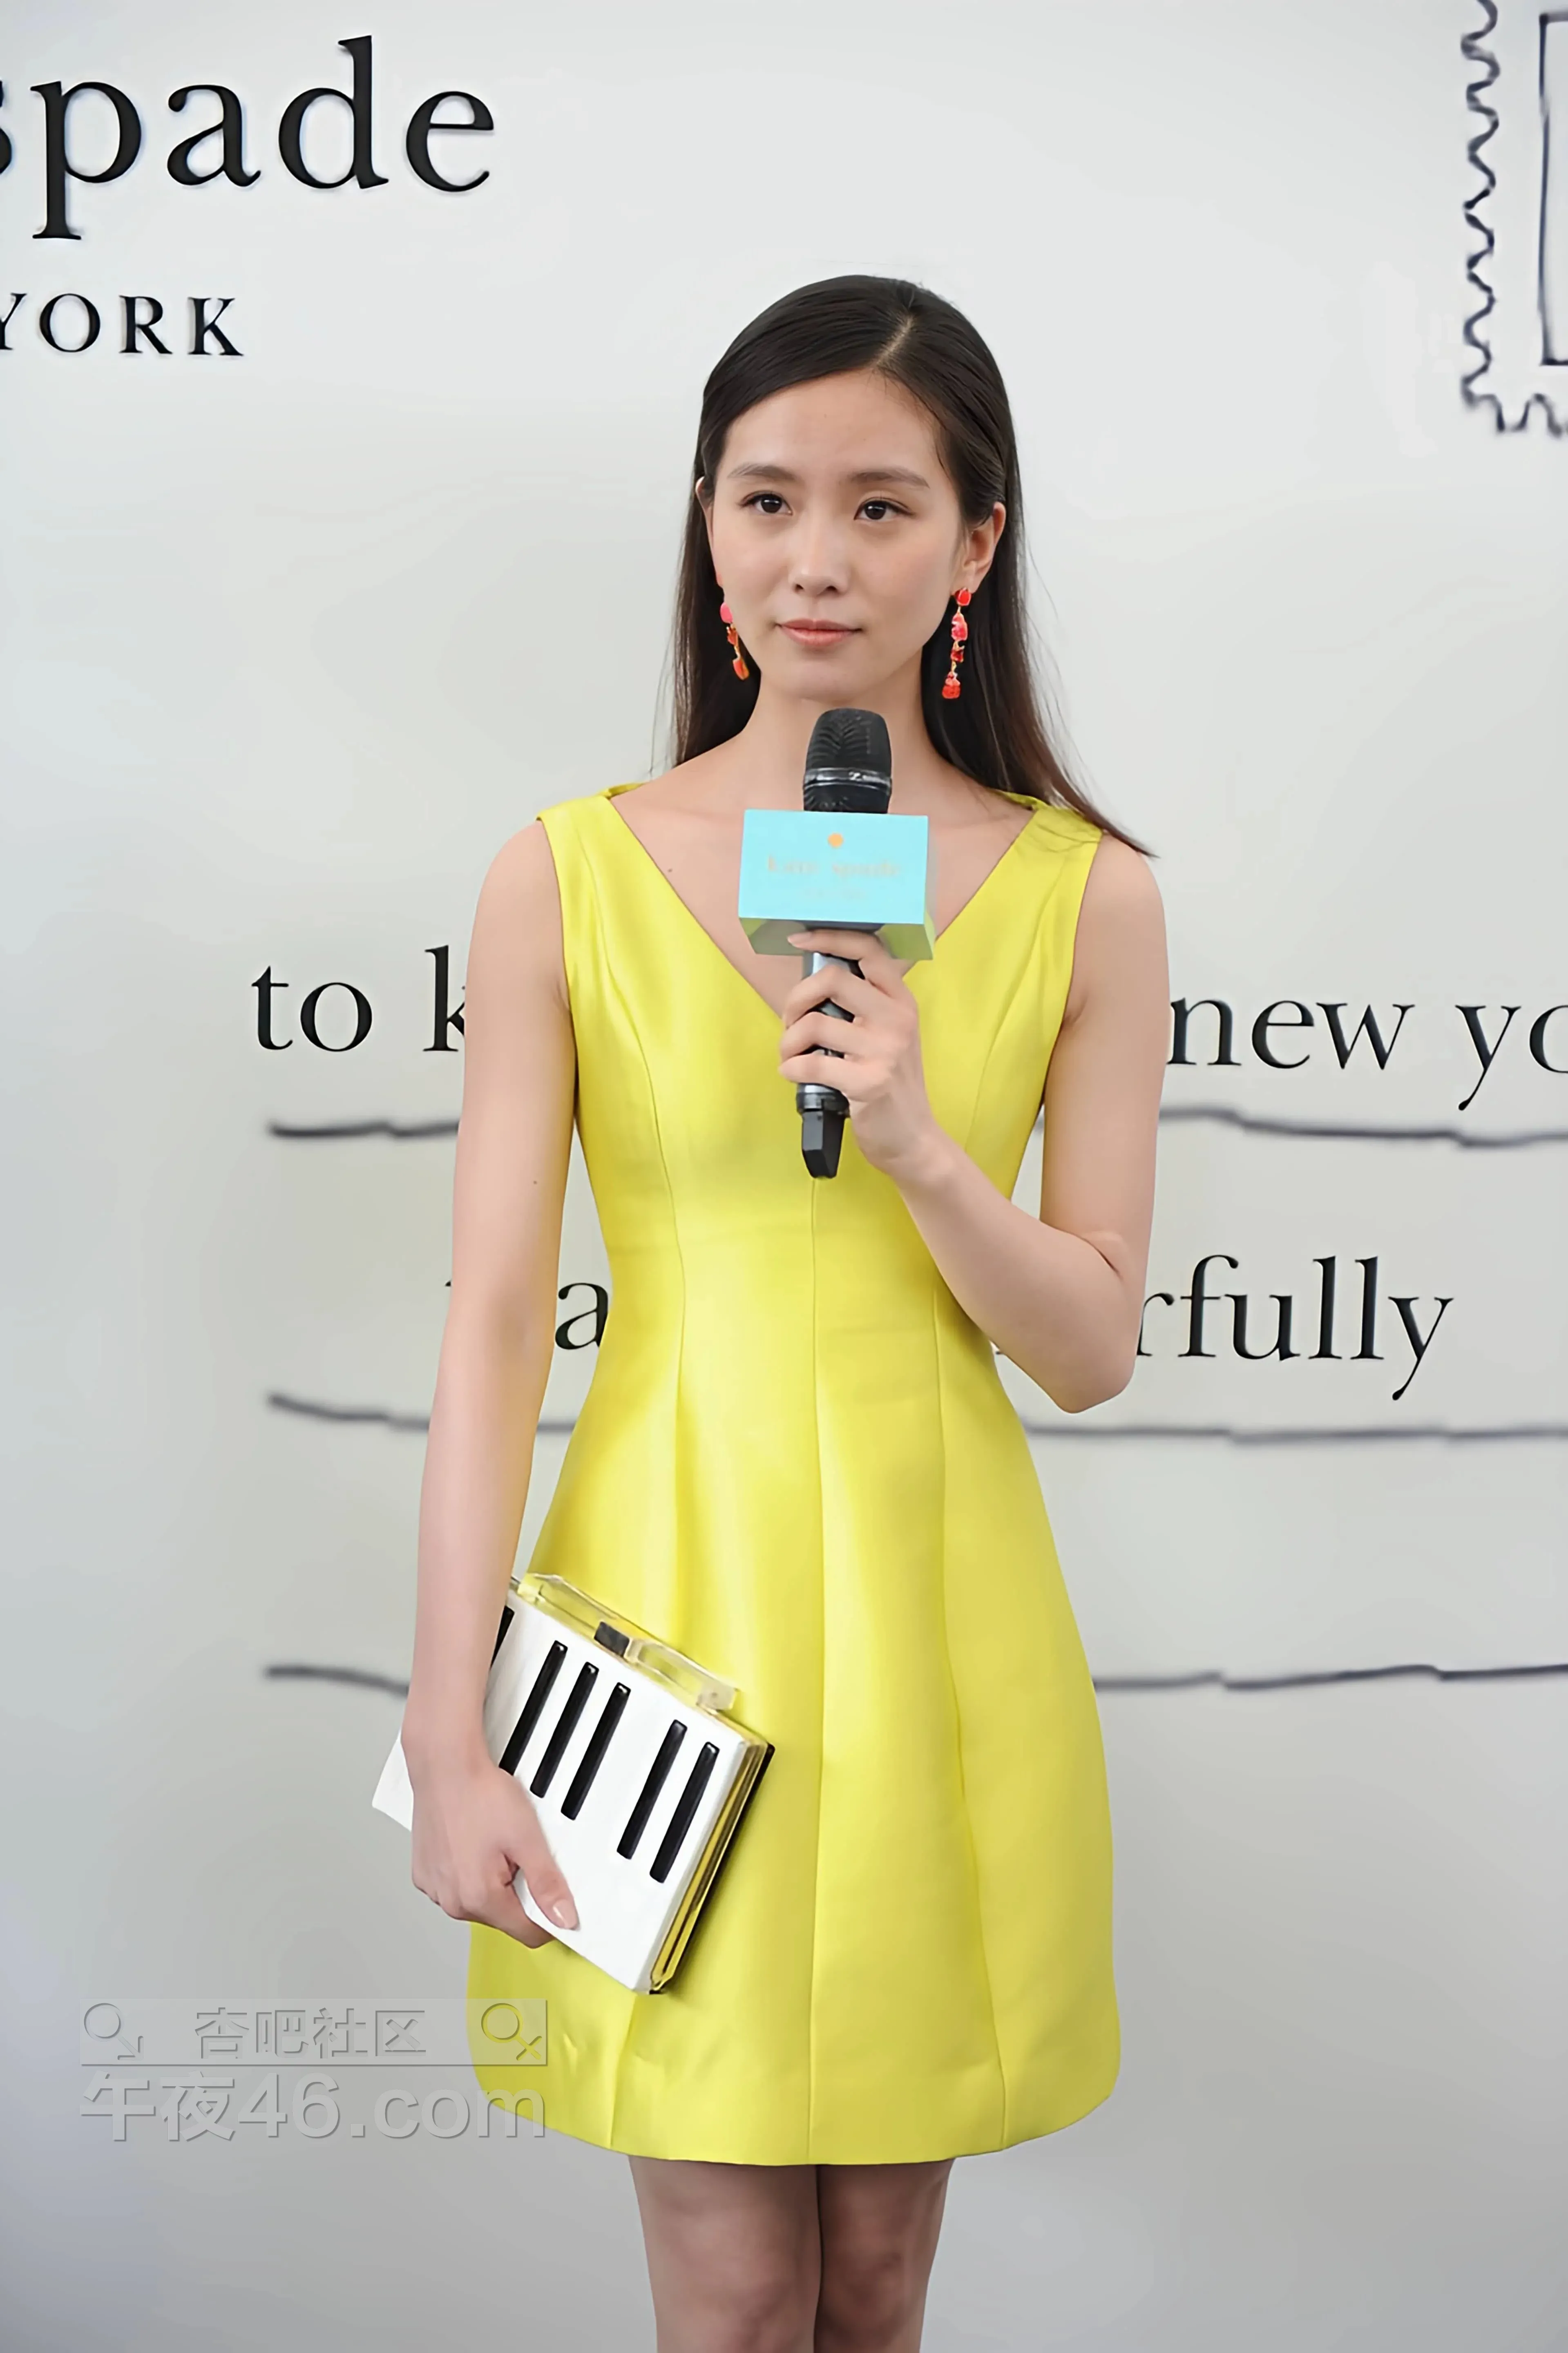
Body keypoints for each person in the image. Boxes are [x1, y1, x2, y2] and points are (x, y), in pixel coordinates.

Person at [400, 274, 1169, 2353]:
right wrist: (447, 1726)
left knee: (875, 2286)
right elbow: (491, 1322)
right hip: (660, 1611)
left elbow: (1089, 1347)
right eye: (766, 499)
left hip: (941, 1623)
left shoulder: (1085, 892)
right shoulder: (563, 873)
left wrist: (920, 1144)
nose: (815, 556)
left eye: (879, 506)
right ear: (709, 530)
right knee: (736, 2296)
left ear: (973, 546)